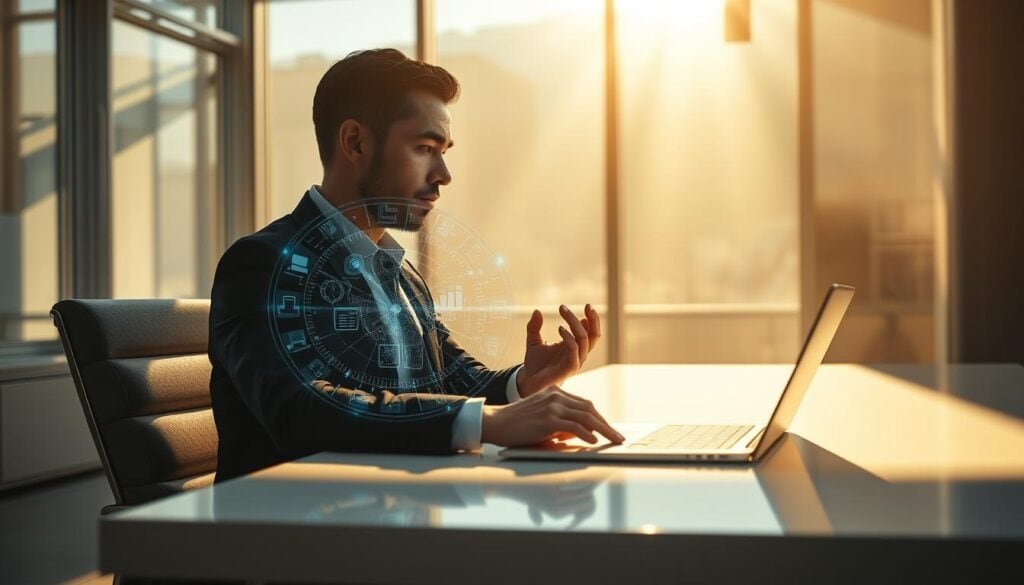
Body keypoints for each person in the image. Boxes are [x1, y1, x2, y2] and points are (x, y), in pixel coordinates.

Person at [209, 48, 623, 482]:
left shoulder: (400, 273)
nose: (444, 173)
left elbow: (450, 381)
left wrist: (521, 383)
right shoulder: (262, 265)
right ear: (355, 142)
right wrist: (488, 423)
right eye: (425, 147)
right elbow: (300, 410)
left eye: (444, 151)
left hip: (395, 509)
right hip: (288, 529)